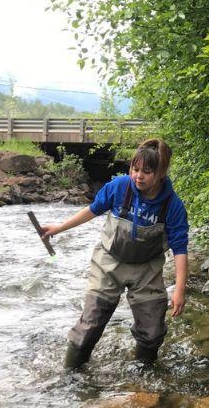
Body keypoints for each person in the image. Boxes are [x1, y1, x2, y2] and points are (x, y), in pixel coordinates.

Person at [41, 139, 189, 368]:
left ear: (160, 174)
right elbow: (92, 210)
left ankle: (143, 375)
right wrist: (59, 228)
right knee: (89, 325)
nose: (138, 176)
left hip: (147, 269)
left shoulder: (173, 205)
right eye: (135, 169)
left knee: (152, 332)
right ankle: (70, 375)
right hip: (108, 262)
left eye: (146, 172)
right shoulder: (119, 187)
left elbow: (180, 249)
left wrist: (179, 290)